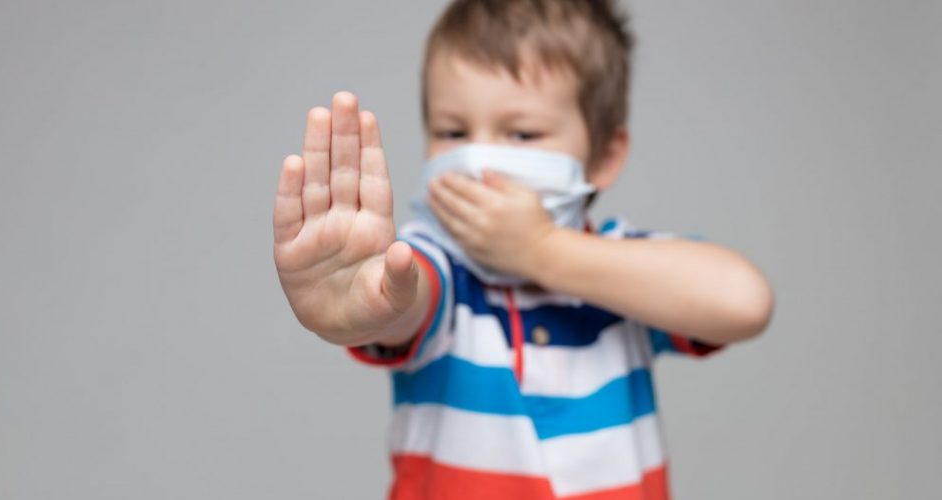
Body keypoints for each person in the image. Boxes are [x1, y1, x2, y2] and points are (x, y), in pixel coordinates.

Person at [272, 1, 774, 498]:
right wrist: (367, 302)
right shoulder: (439, 266)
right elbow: (406, 298)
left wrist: (542, 250)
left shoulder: (622, 270)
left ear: (604, 156)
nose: (478, 157)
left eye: (522, 133)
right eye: (453, 132)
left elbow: (745, 302)